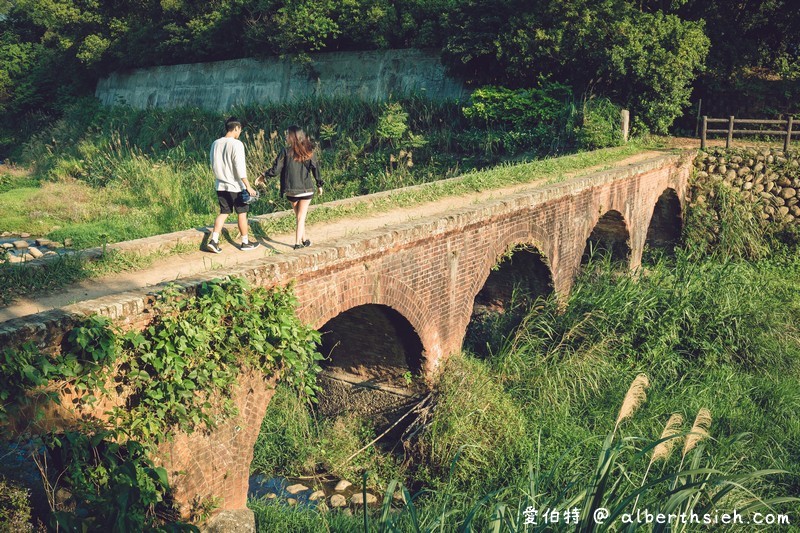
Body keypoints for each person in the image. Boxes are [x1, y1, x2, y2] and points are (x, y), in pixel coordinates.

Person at [257, 125, 323, 250]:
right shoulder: (309, 152)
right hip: (306, 189)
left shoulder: (285, 152)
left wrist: (264, 175)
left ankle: (304, 240)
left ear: (293, 137)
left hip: (291, 191)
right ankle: (297, 243)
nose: (286, 137)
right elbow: (316, 169)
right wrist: (319, 184)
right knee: (300, 217)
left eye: (287, 135)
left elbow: (275, 170)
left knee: (299, 216)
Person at [207, 117, 260, 253]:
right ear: (236, 128)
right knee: (242, 213)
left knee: (224, 212)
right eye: (240, 130)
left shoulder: (215, 143)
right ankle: (245, 242)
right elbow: (239, 167)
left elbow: (213, 163)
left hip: (220, 185)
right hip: (235, 186)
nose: (240, 133)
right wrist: (248, 186)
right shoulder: (237, 144)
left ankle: (214, 240)